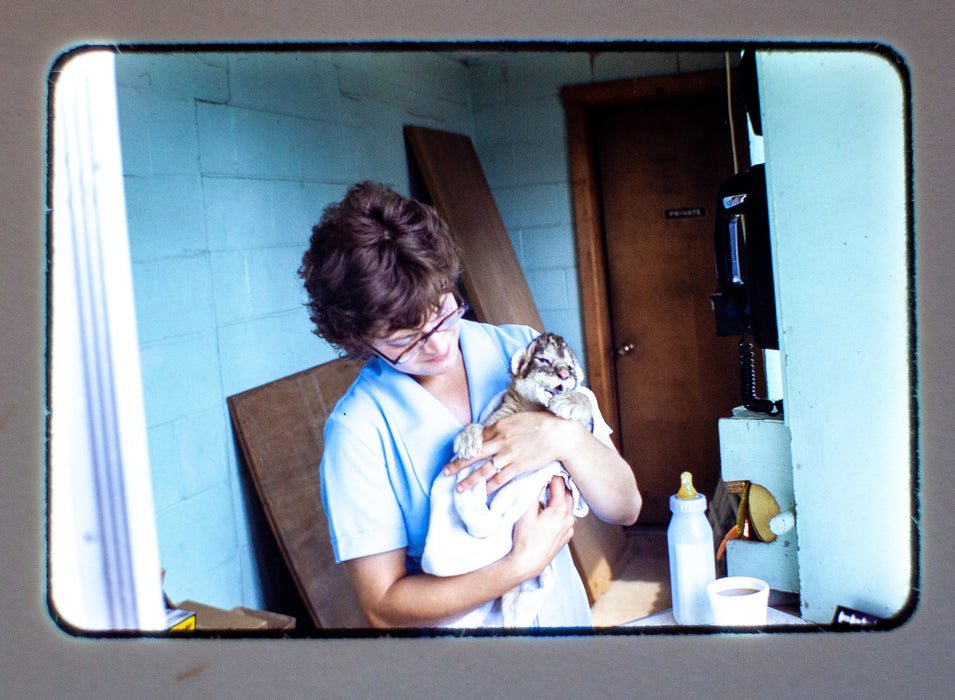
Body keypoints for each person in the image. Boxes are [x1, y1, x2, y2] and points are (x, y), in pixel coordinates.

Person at [299, 181, 641, 628]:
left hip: (564, 624)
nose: (439, 345)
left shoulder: (519, 350)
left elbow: (626, 507)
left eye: (443, 312)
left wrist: (562, 437)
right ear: (358, 339)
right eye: (405, 340)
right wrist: (520, 565)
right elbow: (382, 606)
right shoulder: (359, 428)